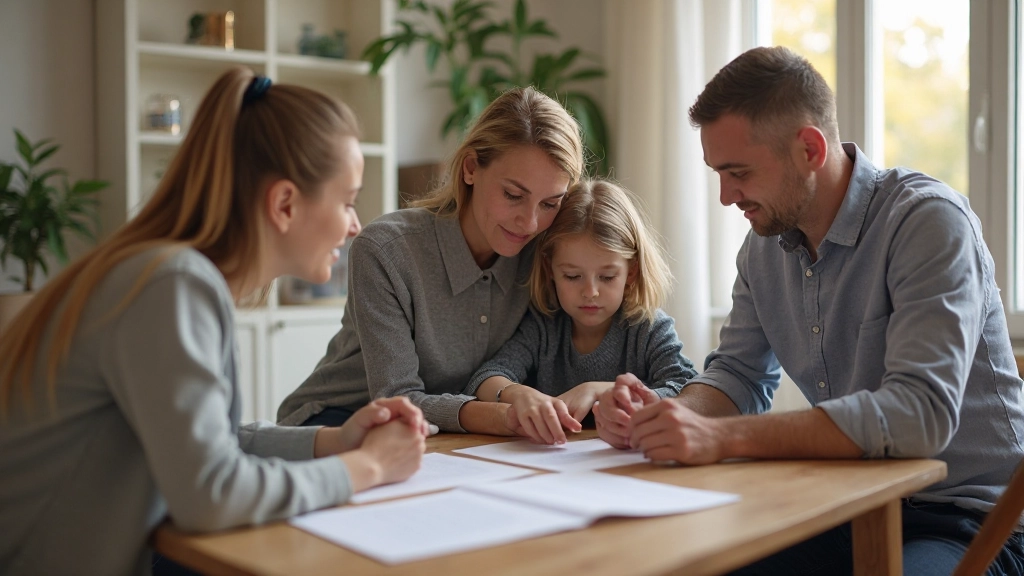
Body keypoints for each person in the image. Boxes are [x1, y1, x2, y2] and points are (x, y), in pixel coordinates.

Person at [595, 46, 1024, 574]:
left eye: (739, 172)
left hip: (969, 520)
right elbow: (736, 376)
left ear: (809, 149)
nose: (727, 196)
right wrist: (671, 415)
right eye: (717, 174)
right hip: (845, 504)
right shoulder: (762, 247)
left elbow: (920, 417)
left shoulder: (927, 223)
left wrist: (720, 438)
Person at [0, 68, 428, 576]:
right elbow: (212, 492)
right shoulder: (172, 286)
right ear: (285, 203)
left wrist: (333, 442)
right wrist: (369, 467)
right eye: (348, 201)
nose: (356, 224)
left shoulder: (168, 274)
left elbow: (215, 443)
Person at [277, 87, 586, 436]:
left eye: (550, 204)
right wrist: (505, 415)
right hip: (340, 418)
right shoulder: (386, 251)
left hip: (455, 433)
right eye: (513, 195)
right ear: (471, 168)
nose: (530, 223)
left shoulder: (547, 255)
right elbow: (399, 399)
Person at [464, 178, 697, 445]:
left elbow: (688, 389)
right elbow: (485, 378)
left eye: (607, 277)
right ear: (550, 269)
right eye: (572, 276)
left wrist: (601, 391)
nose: (590, 292)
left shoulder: (649, 328)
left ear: (631, 271)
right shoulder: (545, 327)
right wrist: (518, 394)